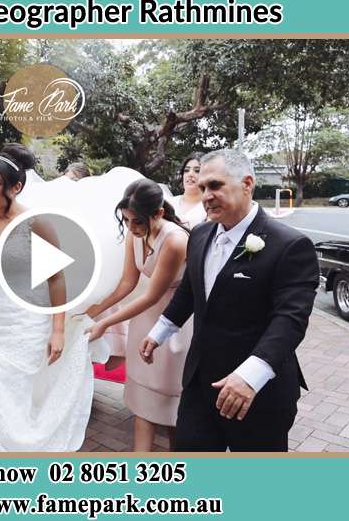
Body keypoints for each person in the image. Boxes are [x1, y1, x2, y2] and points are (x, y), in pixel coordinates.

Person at [142, 149, 319, 452]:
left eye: (215, 186)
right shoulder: (199, 234)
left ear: (247, 184)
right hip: (200, 385)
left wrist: (251, 376)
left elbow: (290, 319)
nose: (206, 195)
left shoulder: (290, 245)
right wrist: (160, 331)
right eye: (202, 188)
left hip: (258, 392)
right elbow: (190, 290)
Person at [0, 143, 95, 451]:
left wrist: (57, 330)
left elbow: (56, 277)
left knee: (11, 394)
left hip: (26, 323)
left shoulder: (36, 223)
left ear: (15, 187)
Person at [83, 179, 190, 451]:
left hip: (174, 324)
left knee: (171, 406)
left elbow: (153, 295)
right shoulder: (135, 234)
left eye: (137, 222)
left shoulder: (176, 240)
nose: (131, 228)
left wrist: (106, 323)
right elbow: (126, 284)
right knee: (143, 400)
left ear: (159, 214)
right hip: (144, 320)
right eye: (127, 221)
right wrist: (93, 312)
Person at [171, 152, 207, 228]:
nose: (190, 174)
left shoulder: (209, 207)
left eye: (197, 171)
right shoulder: (170, 202)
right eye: (186, 170)